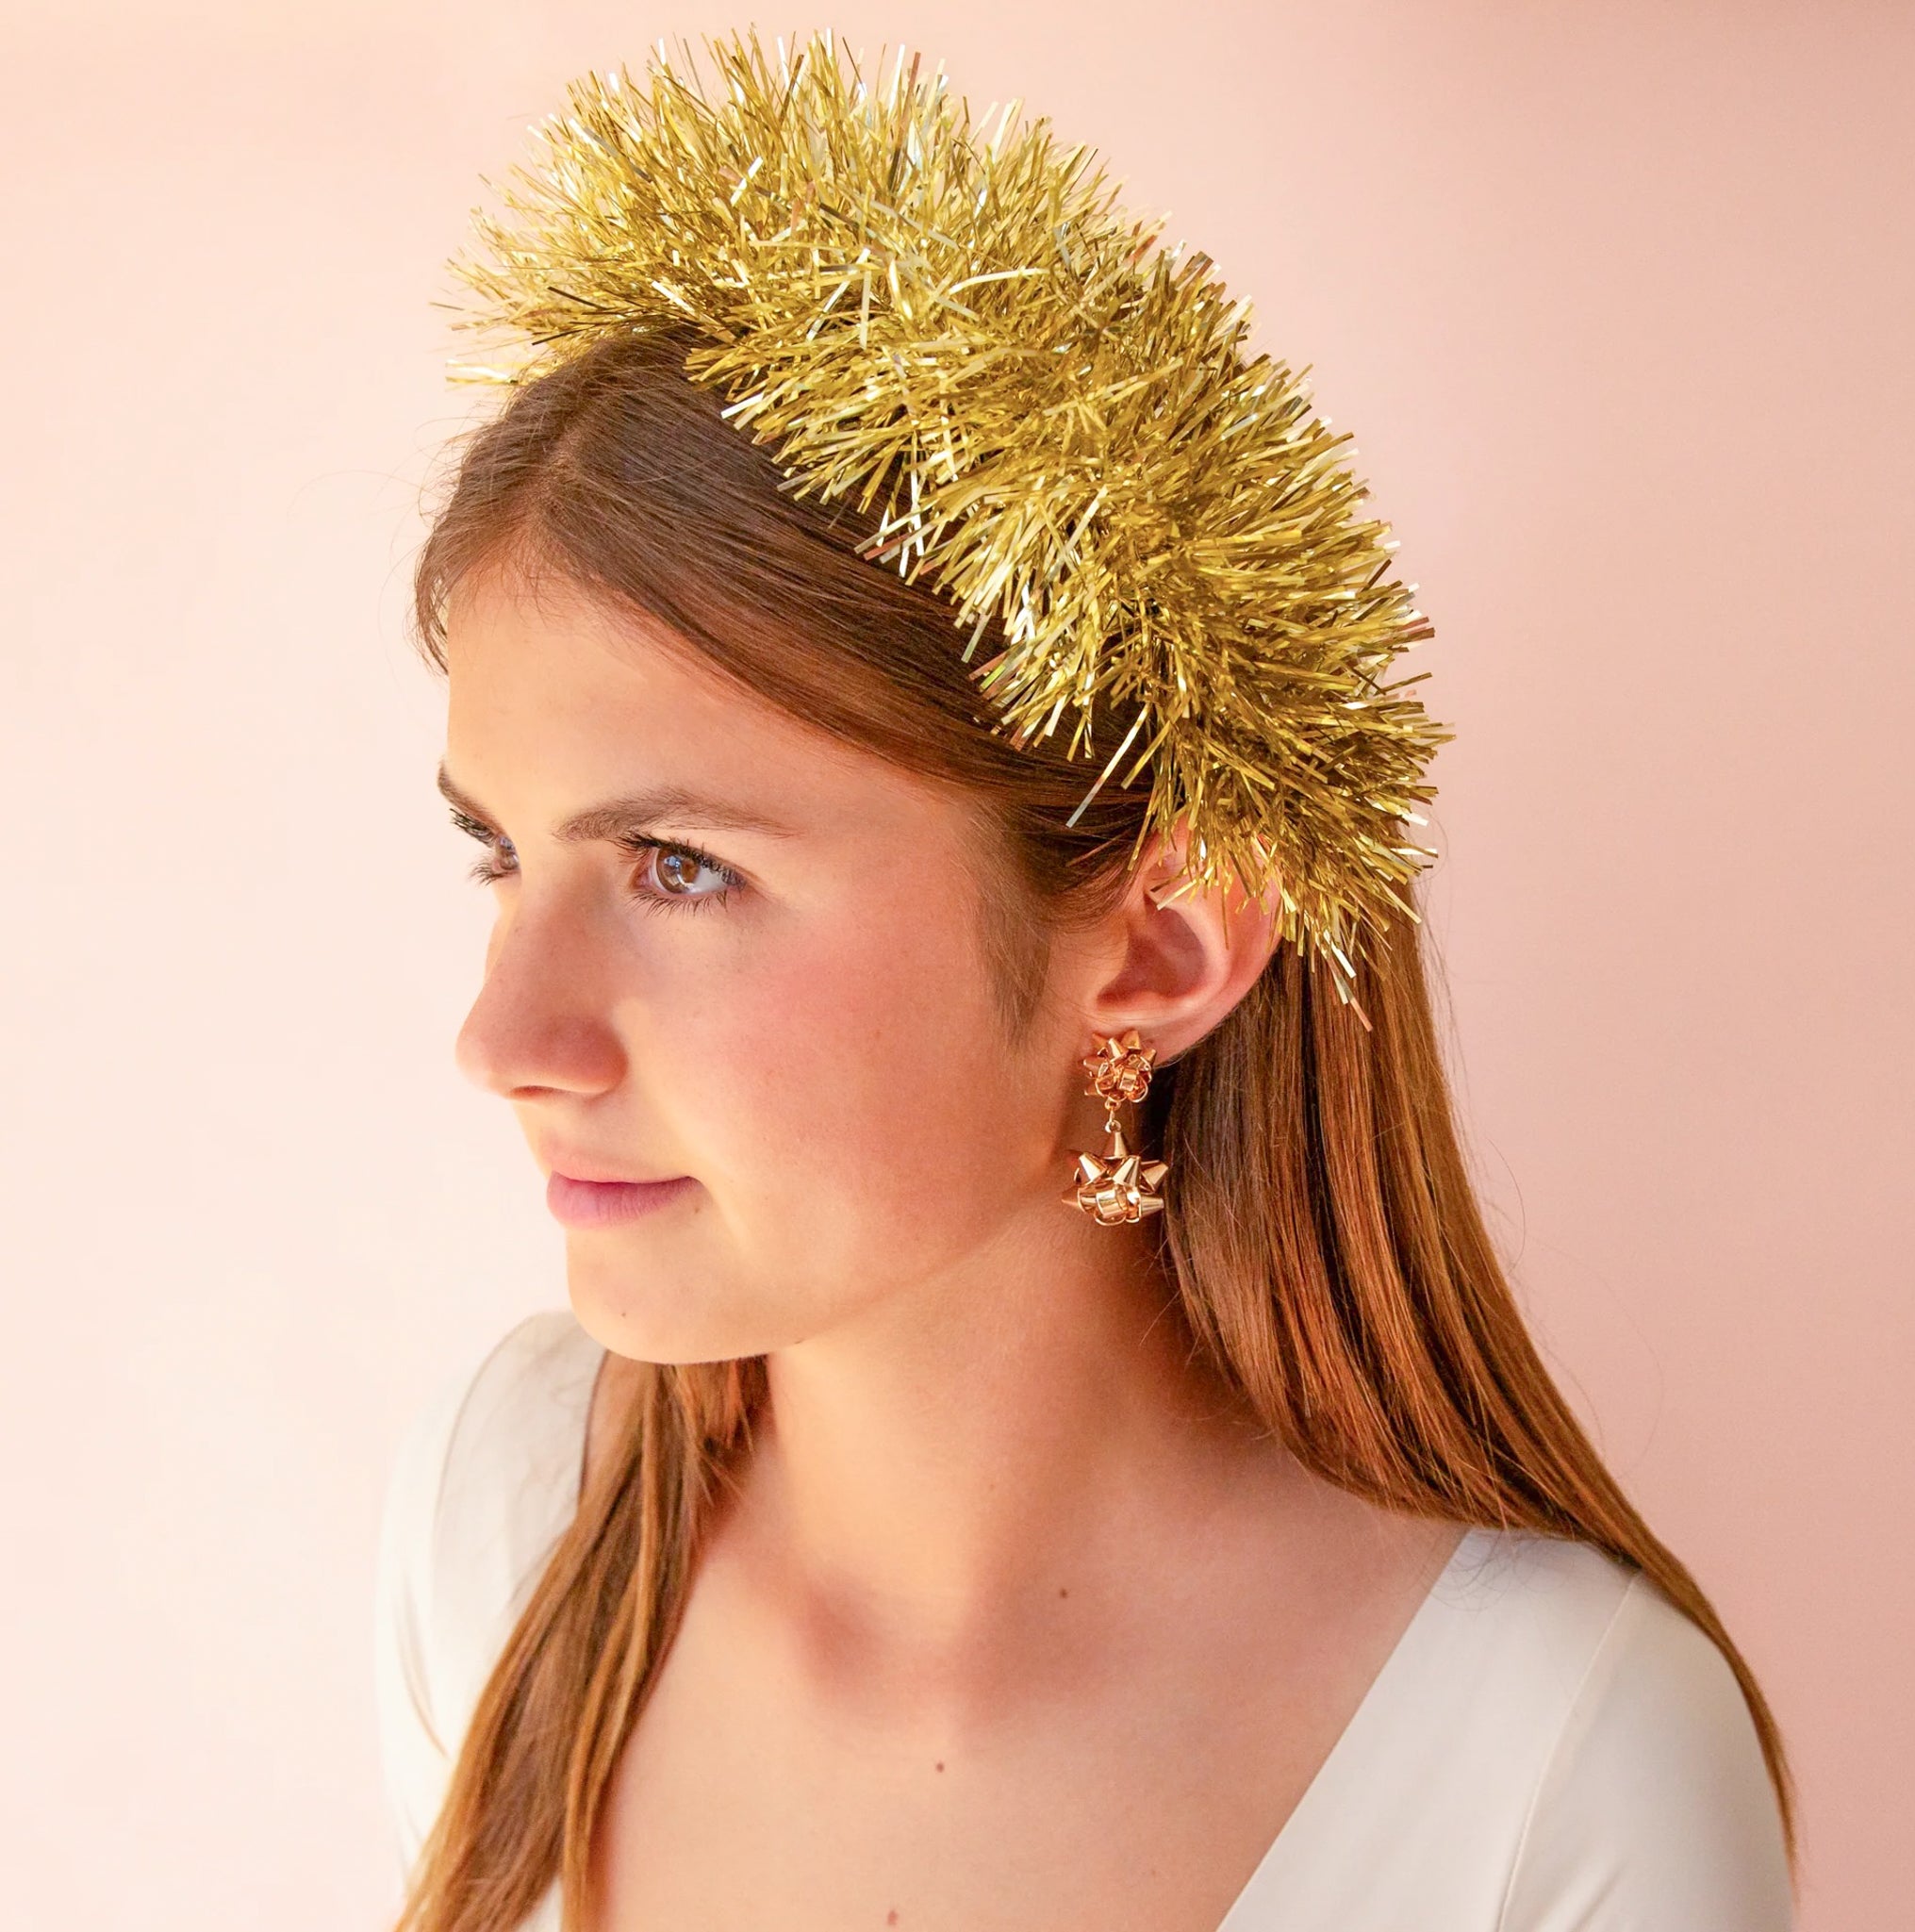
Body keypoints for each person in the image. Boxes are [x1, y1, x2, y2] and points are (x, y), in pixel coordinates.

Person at [373, 33, 1795, 1932]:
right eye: (503, 852)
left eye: (683, 868)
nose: (503, 1038)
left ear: (1153, 949)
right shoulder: (511, 1508)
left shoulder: (1555, 1765)